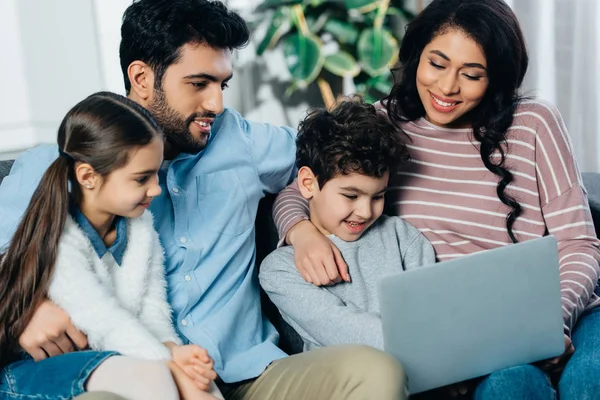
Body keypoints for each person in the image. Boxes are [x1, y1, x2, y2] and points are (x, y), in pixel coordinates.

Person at [0, 1, 405, 399]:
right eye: (198, 84)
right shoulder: (61, 165)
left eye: (222, 84)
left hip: (250, 374)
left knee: (374, 371)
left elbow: (334, 161)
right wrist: (24, 314)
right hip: (138, 378)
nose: (216, 104)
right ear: (142, 77)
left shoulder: (241, 140)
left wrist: (297, 226)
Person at [273, 0, 600, 398]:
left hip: (563, 311)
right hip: (468, 332)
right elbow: (300, 189)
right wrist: (301, 231)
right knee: (511, 386)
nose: (447, 88)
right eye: (437, 64)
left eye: (472, 74)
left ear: (495, 78)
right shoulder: (384, 123)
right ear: (416, 57)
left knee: (589, 381)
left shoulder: (534, 124)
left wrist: (554, 319)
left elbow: (578, 243)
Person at [0, 91, 222, 400]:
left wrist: (175, 352)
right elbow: (104, 322)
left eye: (156, 175)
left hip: (110, 357)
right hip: (31, 375)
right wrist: (170, 366)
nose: (156, 190)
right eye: (141, 178)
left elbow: (153, 313)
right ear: (88, 176)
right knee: (156, 378)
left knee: (199, 381)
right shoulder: (60, 239)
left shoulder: (141, 231)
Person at [259, 98, 435, 357]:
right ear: (308, 184)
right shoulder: (280, 269)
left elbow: (432, 313)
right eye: (351, 196)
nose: (366, 212)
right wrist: (431, 350)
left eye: (377, 196)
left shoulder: (402, 237)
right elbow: (344, 332)